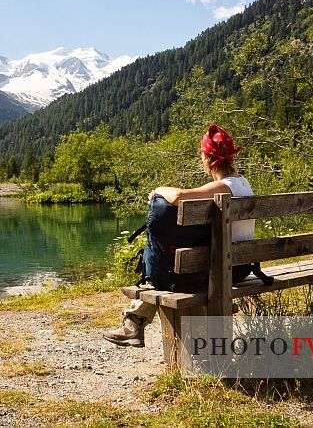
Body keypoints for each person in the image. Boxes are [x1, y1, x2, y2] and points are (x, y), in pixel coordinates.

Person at [103, 123, 256, 347]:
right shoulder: (244, 184)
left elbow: (179, 196)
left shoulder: (224, 188)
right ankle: (134, 321)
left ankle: (134, 322)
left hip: (223, 272)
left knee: (166, 264)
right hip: (240, 267)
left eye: (202, 156)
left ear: (208, 159)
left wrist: (157, 190)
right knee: (177, 256)